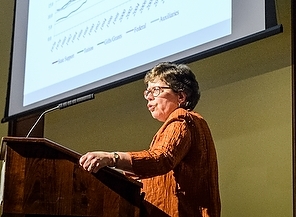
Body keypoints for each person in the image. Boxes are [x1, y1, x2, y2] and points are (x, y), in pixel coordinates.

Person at [79, 62, 221, 217]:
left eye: (156, 90)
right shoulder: (187, 122)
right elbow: (155, 175)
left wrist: (112, 158)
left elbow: (161, 159)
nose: (149, 97)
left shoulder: (182, 118)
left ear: (180, 96)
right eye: (148, 92)